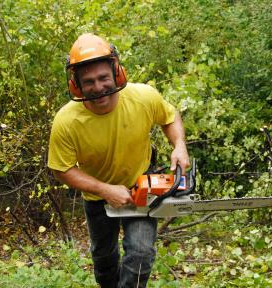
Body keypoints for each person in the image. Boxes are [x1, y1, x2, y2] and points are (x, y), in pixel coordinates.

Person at [48, 33, 190, 288]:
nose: (98, 87)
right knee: (104, 258)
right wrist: (104, 189)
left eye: (103, 77)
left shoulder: (143, 97)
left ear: (117, 73)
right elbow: (62, 169)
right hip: (97, 197)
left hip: (141, 187)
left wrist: (179, 145)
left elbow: (169, 117)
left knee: (141, 254)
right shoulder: (66, 121)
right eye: (89, 81)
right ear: (76, 85)